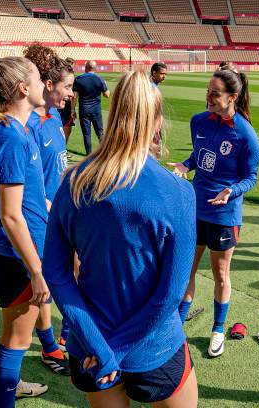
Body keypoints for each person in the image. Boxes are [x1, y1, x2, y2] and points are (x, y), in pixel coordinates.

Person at [43, 70, 198, 407]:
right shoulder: (178, 192)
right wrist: (118, 350)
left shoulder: (74, 182)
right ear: (157, 121)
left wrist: (101, 348)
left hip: (90, 348)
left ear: (112, 116)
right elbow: (171, 293)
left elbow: (55, 273)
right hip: (154, 349)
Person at [168, 69, 259, 358]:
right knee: (187, 270)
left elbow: (251, 177)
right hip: (194, 210)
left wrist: (230, 191)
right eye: (208, 91)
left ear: (233, 97)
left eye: (215, 93)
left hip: (224, 216)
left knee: (221, 274)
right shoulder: (198, 121)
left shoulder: (246, 134)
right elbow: (199, 155)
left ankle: (218, 329)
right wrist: (185, 165)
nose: (209, 97)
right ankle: (177, 331)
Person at [0, 55, 50, 407]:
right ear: (23, 88)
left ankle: (14, 383)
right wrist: (36, 270)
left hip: (19, 247)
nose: (43, 84)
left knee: (15, 334)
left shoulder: (16, 128)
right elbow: (10, 215)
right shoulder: (10, 137)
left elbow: (29, 197)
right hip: (19, 254)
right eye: (37, 78)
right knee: (17, 339)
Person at [24, 43, 76, 376]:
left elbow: (58, 162)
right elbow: (28, 179)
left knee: (77, 270)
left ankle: (69, 333)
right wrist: (47, 202)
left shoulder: (54, 114)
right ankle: (48, 347)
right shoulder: (27, 122)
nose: (71, 93)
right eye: (67, 87)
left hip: (65, 209)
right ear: (48, 85)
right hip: (42, 216)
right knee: (42, 281)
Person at [73, 61, 109, 155]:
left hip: (84, 110)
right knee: (100, 132)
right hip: (96, 110)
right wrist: (105, 84)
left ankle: (88, 155)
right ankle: (104, 153)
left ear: (86, 67)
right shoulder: (100, 79)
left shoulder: (78, 79)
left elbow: (74, 97)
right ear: (95, 68)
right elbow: (107, 95)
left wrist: (72, 110)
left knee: (86, 134)